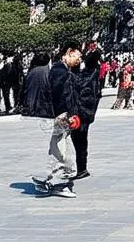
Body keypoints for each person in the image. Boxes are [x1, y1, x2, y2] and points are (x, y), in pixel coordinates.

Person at [31, 42, 83, 197]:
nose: (79, 60)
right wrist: (65, 114)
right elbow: (59, 96)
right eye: (77, 56)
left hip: (64, 116)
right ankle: (58, 183)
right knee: (62, 151)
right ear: (68, 52)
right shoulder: (59, 71)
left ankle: (47, 180)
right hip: (61, 117)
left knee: (61, 149)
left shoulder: (63, 70)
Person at [71, 47, 103, 181]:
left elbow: (79, 84)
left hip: (81, 112)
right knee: (82, 140)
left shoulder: (88, 75)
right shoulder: (94, 74)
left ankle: (81, 168)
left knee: (78, 140)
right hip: (87, 113)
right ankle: (82, 168)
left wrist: (72, 70)